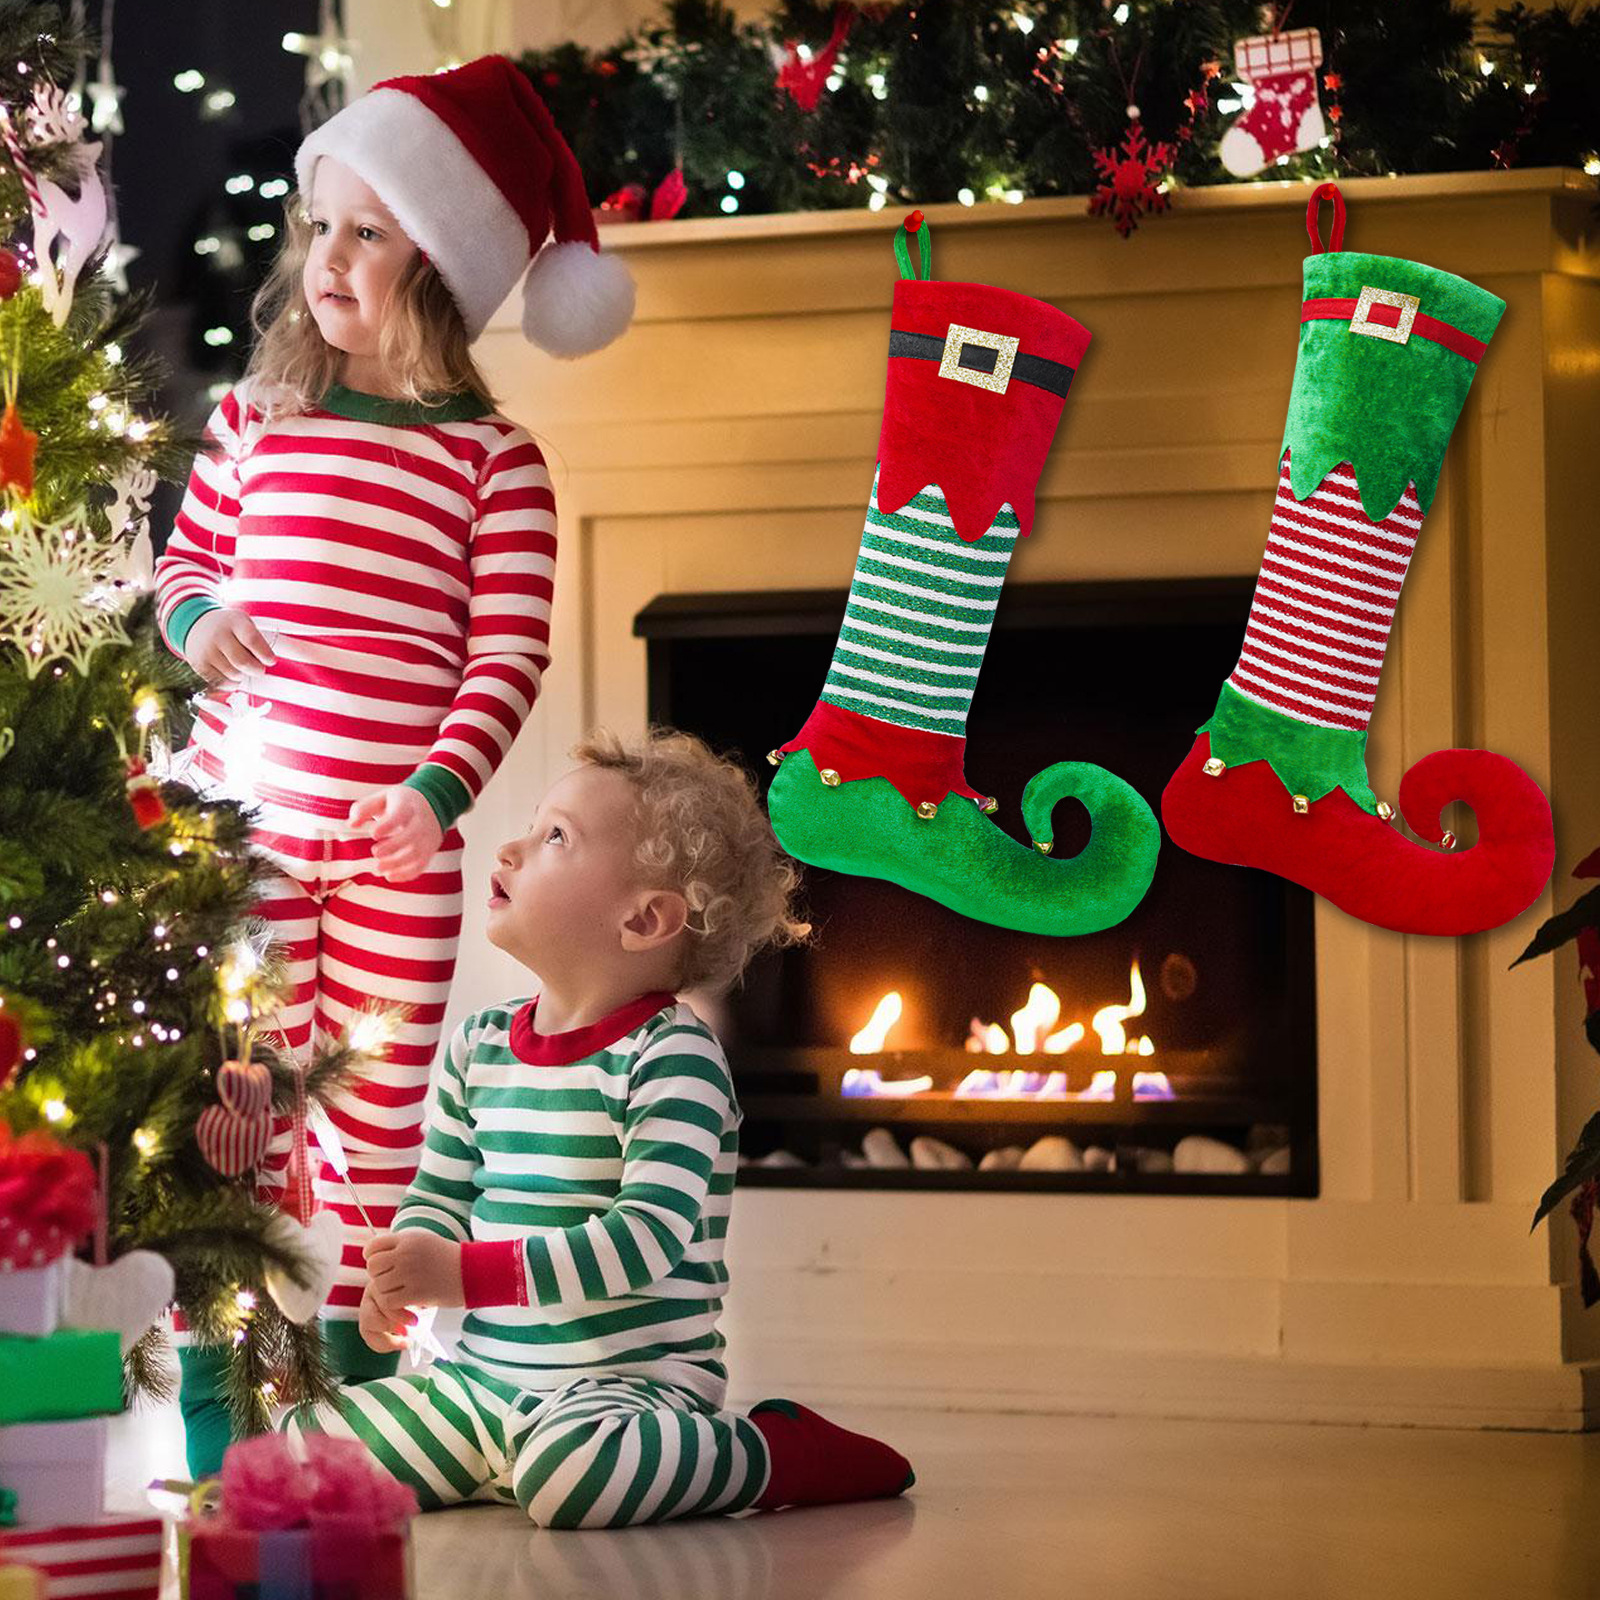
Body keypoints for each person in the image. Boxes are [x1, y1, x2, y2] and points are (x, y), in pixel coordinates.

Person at [152, 55, 634, 1475]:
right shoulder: (256, 422)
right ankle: (225, 1408)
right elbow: (185, 568)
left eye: (371, 233)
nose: (330, 261)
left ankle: (352, 1408)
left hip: (392, 861)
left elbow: (504, 662)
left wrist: (434, 794)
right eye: (323, 229)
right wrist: (203, 618)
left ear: (445, 268)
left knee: (375, 1124)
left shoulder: (497, 462)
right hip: (246, 830)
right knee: (239, 1113)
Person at [290, 728, 915, 1527]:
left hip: (633, 1389)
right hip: (484, 1382)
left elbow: (644, 1240)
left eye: (555, 837)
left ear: (645, 919)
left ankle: (770, 1452)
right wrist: (402, 1281)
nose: (511, 850)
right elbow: (440, 1196)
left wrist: (465, 1276)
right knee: (303, 1444)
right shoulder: (479, 1046)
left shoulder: (675, 1058)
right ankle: (506, 1457)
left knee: (573, 1477)